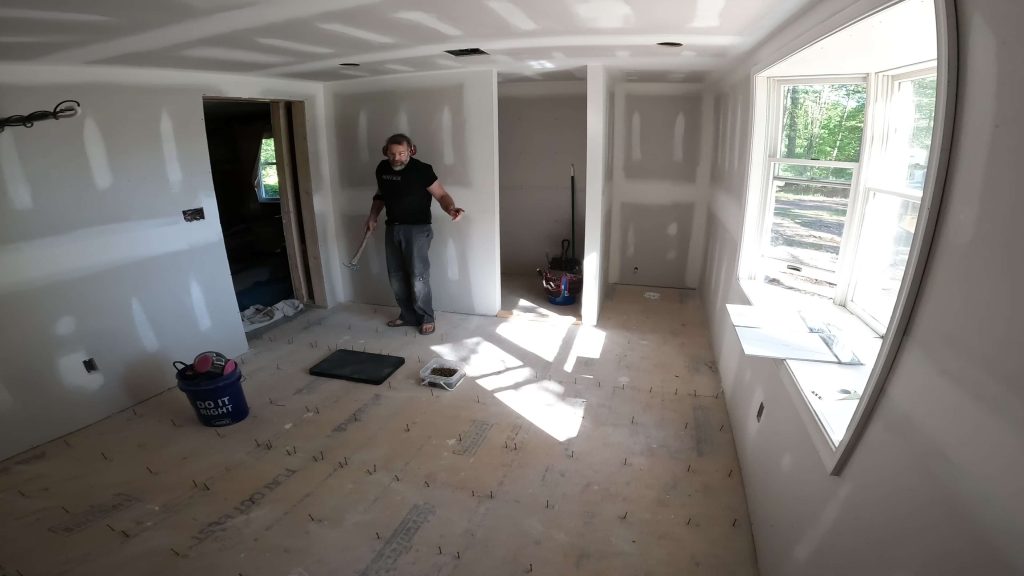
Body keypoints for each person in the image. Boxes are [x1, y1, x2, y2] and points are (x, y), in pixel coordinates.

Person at [364, 133, 464, 335]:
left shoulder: (422, 170)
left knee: (418, 277)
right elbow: (380, 196)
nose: (397, 158)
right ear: (386, 153)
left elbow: (441, 195)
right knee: (396, 276)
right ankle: (408, 315)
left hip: (418, 230)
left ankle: (426, 317)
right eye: (392, 154)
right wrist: (373, 216)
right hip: (393, 228)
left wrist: (451, 208)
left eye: (401, 153)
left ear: (411, 150)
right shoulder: (382, 169)